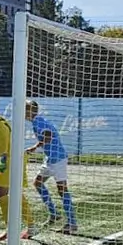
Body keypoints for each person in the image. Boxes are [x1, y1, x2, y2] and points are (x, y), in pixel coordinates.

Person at [0, 95, 33, 242]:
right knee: (15, 192)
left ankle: (11, 229)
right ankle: (30, 226)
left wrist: (1, 154)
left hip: (9, 159)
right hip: (16, 157)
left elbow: (4, 137)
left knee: (1, 193)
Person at [26, 99, 76, 234]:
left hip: (58, 159)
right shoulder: (37, 121)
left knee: (62, 190)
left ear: (31, 110)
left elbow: (48, 135)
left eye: (25, 109)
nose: (23, 112)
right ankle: (54, 214)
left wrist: (35, 147)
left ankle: (72, 223)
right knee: (38, 183)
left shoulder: (38, 121)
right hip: (50, 159)